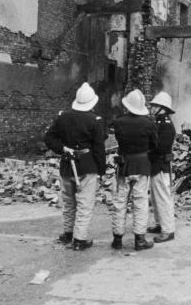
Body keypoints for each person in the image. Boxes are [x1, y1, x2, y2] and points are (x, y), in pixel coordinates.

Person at [43, 82, 106, 251]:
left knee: (69, 203)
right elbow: (99, 148)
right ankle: (79, 239)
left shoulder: (63, 117)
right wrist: (102, 169)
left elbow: (49, 138)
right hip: (87, 165)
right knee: (85, 204)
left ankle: (68, 233)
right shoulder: (95, 120)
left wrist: (63, 148)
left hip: (66, 164)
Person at [111, 89, 158, 252]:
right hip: (142, 165)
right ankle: (140, 239)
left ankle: (117, 239)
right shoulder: (149, 123)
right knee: (140, 203)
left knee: (120, 202)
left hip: (124, 165)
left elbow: (118, 139)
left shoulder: (118, 122)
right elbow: (155, 145)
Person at [147, 91, 177, 243]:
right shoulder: (158, 123)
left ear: (162, 108)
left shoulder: (166, 126)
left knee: (163, 197)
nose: (151, 109)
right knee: (155, 197)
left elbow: (159, 147)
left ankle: (168, 229)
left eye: (154, 106)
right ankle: (160, 223)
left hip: (160, 164)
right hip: (155, 164)